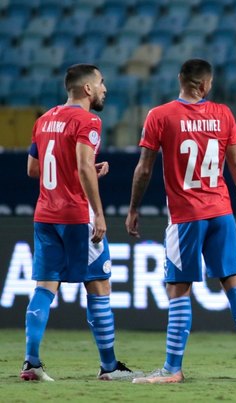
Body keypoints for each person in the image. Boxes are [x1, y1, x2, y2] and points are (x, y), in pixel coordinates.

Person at [125, 59, 236, 384]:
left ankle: (172, 369)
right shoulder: (223, 114)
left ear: (181, 80)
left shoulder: (159, 116)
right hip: (221, 211)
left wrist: (133, 207)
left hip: (185, 216)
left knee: (178, 287)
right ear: (205, 85)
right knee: (233, 281)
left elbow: (144, 169)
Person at [22, 64, 140, 382]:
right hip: (76, 217)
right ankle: (109, 366)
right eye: (101, 83)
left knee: (44, 287)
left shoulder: (45, 119)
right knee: (99, 285)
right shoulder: (88, 120)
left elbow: (34, 169)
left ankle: (31, 362)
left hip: (45, 215)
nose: (105, 88)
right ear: (87, 89)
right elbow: (85, 166)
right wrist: (99, 213)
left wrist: (77, 173)